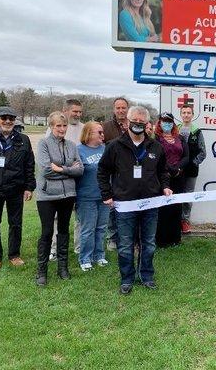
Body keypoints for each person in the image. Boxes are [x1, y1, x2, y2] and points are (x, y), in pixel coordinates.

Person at [98, 106, 171, 295]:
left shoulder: (156, 147)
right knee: (125, 244)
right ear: (127, 122)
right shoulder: (114, 146)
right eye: (134, 121)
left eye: (141, 122)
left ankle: (146, 276)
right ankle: (127, 278)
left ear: (147, 124)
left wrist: (165, 186)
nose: (137, 125)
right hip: (125, 204)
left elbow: (163, 171)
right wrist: (106, 194)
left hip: (150, 203)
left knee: (148, 242)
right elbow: (103, 171)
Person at [0, 107, 35, 270]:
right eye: (4, 117)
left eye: (11, 118)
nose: (8, 121)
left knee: (15, 223)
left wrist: (29, 186)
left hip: (15, 188)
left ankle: (14, 255)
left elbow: (29, 164)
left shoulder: (23, 139)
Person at [35, 112, 84, 286]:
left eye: (64, 126)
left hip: (68, 195)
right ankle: (42, 270)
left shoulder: (72, 145)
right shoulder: (43, 144)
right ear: (51, 126)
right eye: (58, 126)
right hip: (47, 196)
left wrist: (61, 170)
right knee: (47, 232)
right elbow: (45, 170)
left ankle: (63, 267)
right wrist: (69, 170)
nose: (62, 129)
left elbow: (80, 170)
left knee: (63, 230)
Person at [46, 99, 84, 259]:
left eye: (80, 111)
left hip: (81, 180)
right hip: (59, 183)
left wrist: (67, 166)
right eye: (75, 111)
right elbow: (51, 162)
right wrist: (70, 167)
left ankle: (79, 247)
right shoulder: (54, 130)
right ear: (65, 110)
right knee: (57, 217)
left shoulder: (83, 128)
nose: (78, 114)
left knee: (80, 215)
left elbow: (81, 162)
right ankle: (54, 249)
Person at [76, 122, 109, 272]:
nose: (103, 135)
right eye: (99, 132)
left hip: (104, 196)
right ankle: (85, 258)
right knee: (88, 229)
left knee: (101, 228)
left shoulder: (106, 150)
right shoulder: (78, 150)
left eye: (103, 132)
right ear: (89, 133)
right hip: (86, 196)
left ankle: (99, 255)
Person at [154, 112, 189, 248]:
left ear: (173, 123)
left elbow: (186, 156)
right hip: (163, 178)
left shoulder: (180, 138)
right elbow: (158, 157)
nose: (166, 123)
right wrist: (169, 169)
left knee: (176, 207)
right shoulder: (156, 139)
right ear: (159, 122)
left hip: (179, 177)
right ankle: (162, 240)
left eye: (169, 121)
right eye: (164, 121)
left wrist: (178, 168)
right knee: (163, 208)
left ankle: (175, 239)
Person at [102, 97, 130, 251]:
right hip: (113, 173)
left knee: (128, 206)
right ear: (114, 110)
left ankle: (126, 237)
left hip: (130, 173)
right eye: (118, 108)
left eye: (123, 108)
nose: (121, 111)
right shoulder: (106, 127)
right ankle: (112, 238)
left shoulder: (133, 125)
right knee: (112, 206)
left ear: (127, 109)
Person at [177, 104, 206, 234]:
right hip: (177, 170)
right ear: (180, 114)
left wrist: (193, 163)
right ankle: (174, 221)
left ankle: (185, 221)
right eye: (184, 112)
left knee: (188, 197)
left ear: (192, 115)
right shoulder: (175, 130)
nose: (186, 115)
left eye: (189, 113)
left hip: (191, 171)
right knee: (176, 195)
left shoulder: (197, 131)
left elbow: (203, 152)